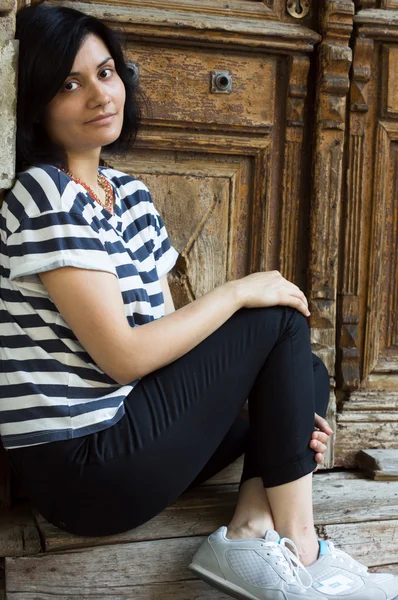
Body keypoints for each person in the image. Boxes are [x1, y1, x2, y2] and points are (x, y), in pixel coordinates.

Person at [0, 5, 396, 600]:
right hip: (84, 469)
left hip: (133, 433)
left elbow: (164, 337)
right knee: (273, 320)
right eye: (68, 84)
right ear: (35, 102)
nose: (100, 95)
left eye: (106, 73)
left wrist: (281, 416)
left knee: (302, 376)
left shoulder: (128, 194)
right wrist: (238, 293)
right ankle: (305, 556)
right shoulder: (40, 192)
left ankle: (253, 530)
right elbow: (124, 358)